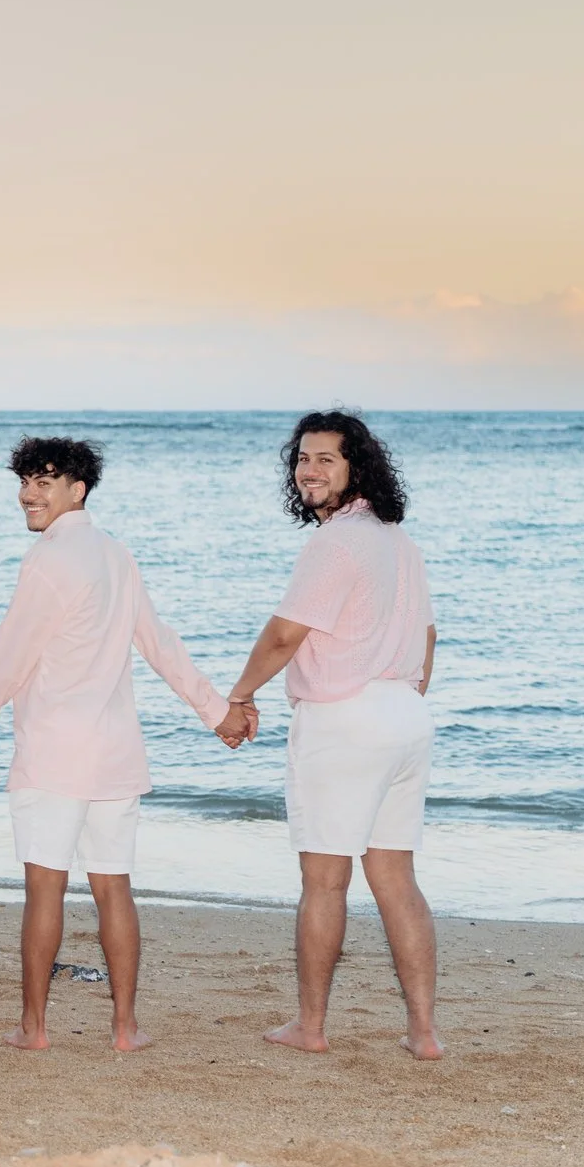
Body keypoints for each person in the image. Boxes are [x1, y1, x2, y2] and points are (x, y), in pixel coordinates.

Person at [0, 436, 235, 1054]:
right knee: (113, 888)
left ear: (77, 490)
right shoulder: (116, 556)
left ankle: (34, 1028)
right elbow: (159, 643)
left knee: (45, 887)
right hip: (115, 753)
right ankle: (125, 1027)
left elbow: (12, 649)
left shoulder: (50, 560)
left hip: (55, 752)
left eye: (44, 482)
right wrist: (215, 712)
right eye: (25, 481)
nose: (29, 493)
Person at [217, 410, 444, 1061]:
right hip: (404, 714)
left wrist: (240, 693)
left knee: (324, 879)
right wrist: (401, 686)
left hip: (346, 718)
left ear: (356, 468)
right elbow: (428, 635)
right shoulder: (397, 539)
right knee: (395, 875)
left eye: (326, 459)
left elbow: (286, 633)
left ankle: (310, 1026)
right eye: (303, 458)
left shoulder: (335, 543)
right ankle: (423, 1031)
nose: (309, 470)